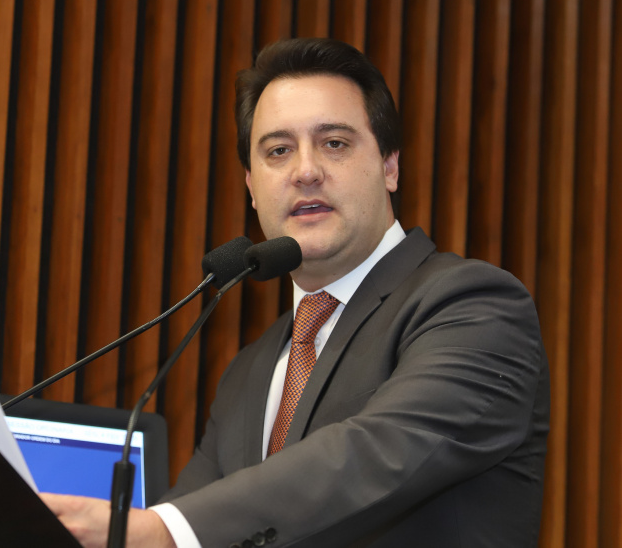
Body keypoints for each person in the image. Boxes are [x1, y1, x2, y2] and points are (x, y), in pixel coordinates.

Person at [41, 37, 549, 548]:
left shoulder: (473, 306)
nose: (305, 171)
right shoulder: (250, 371)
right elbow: (186, 519)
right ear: (251, 186)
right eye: (278, 151)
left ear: (390, 167)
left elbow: (377, 452)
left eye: (334, 143)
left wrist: (162, 529)